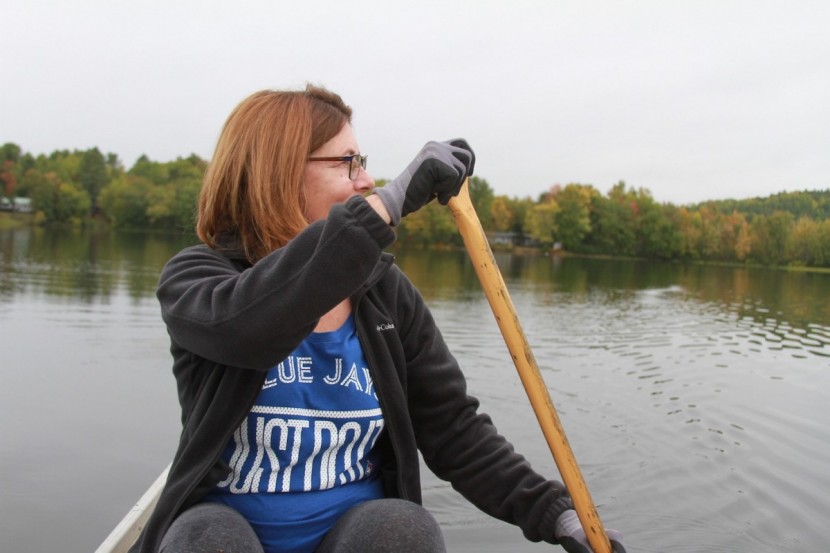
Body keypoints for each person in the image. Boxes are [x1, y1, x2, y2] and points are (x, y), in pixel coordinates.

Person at [130, 84, 626, 553]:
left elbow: (453, 429)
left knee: (402, 528)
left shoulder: (385, 292)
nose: (365, 179)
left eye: (362, 163)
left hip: (353, 535)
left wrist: (556, 514)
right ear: (278, 173)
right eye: (348, 163)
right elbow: (250, 328)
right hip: (229, 529)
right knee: (204, 540)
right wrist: (390, 203)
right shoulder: (199, 278)